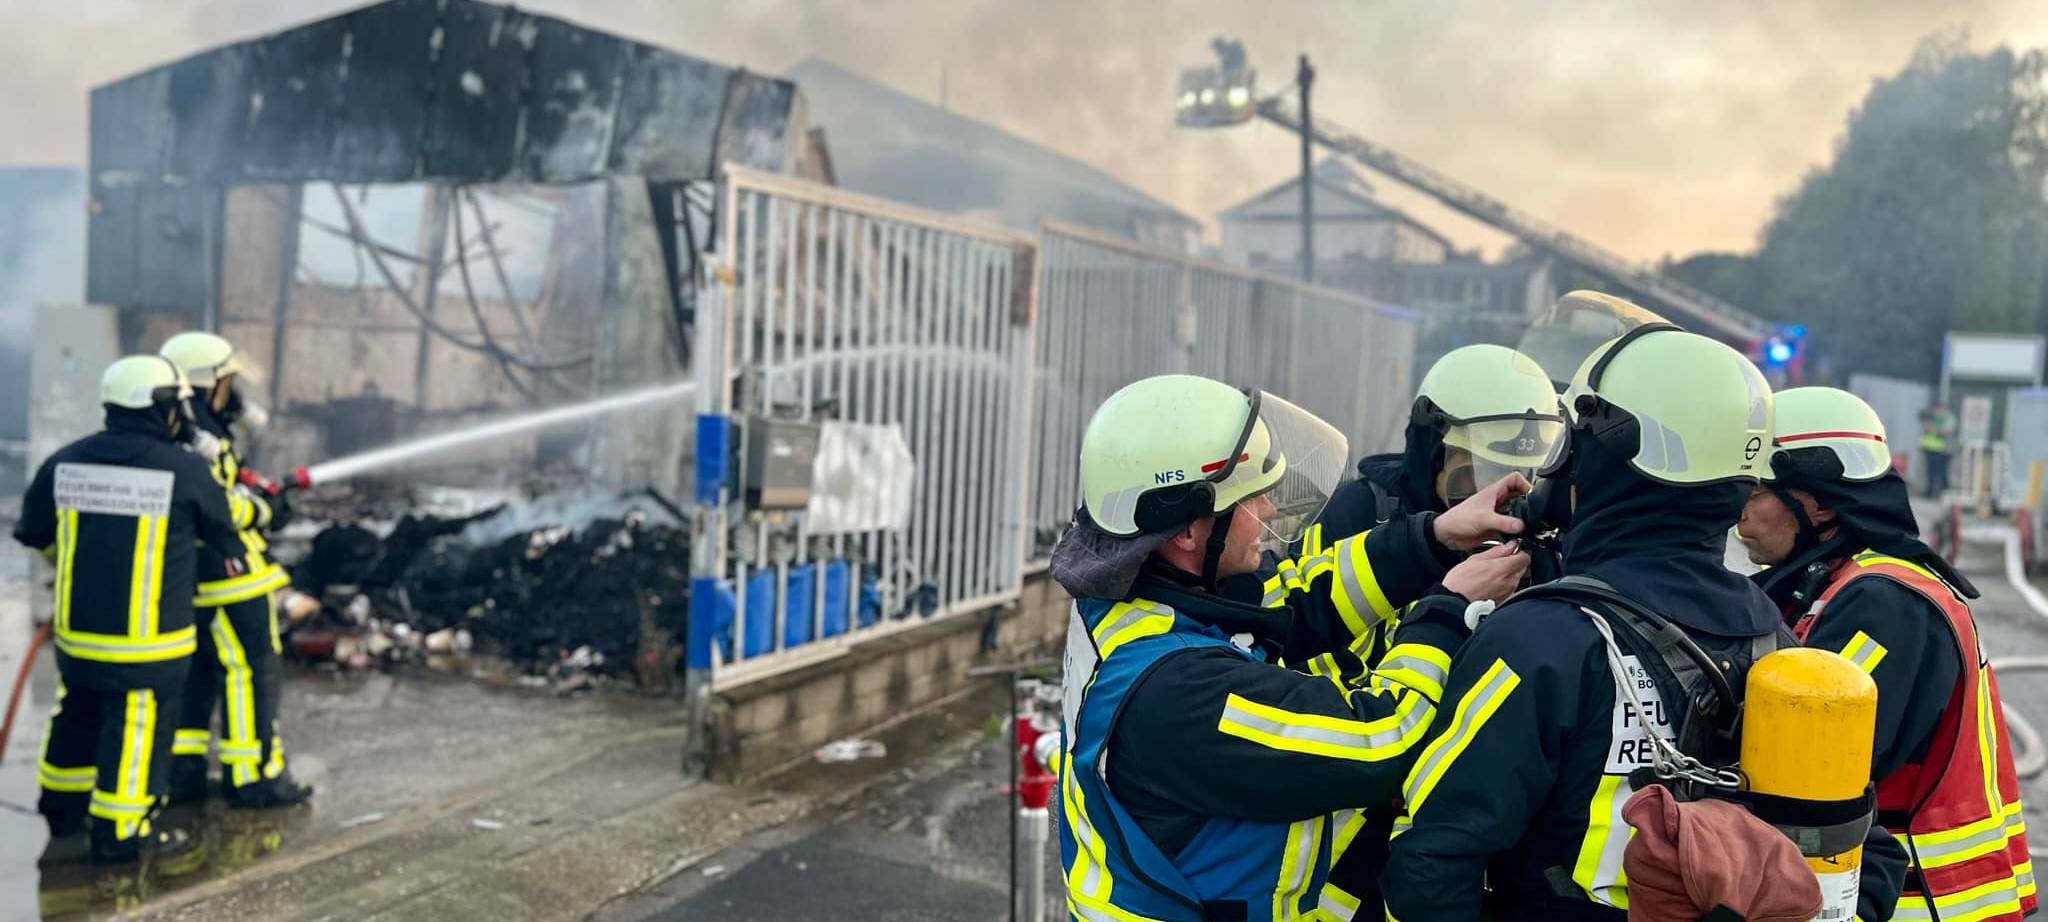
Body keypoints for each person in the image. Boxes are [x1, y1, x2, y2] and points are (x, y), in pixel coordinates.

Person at [1380, 326, 1904, 920]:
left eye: (1573, 444)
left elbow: (1433, 861)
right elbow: (1859, 858)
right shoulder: (1775, 642)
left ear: (1607, 458)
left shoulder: (1536, 642)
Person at [1050, 374, 1531, 922]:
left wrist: (1432, 538)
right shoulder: (1177, 693)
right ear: (1187, 531)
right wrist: (1444, 612)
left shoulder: (1136, 597)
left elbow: (1294, 603)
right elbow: (1378, 742)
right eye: (1252, 497)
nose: (1271, 511)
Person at [1740, 387, 2032, 922]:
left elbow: (1804, 757)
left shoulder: (1883, 601)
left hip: (1916, 900)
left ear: (1821, 503)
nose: (1739, 513)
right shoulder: (1836, 583)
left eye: (1757, 492)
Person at [1300, 343, 1566, 918]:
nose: (1495, 496)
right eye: (1475, 474)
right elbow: (1319, 665)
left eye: (1519, 478)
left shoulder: (1535, 538)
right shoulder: (1360, 517)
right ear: (1430, 451)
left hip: (1473, 816)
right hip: (1363, 814)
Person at [16, 356, 247, 862]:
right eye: (179, 405)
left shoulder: (64, 461)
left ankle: (62, 810)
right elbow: (229, 542)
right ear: (162, 407)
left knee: (75, 714)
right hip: (149, 646)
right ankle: (120, 835)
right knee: (136, 731)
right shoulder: (186, 472)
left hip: (79, 642)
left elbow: (35, 534)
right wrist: (217, 468)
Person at [159, 332, 309, 808]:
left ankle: (183, 771)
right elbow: (217, 508)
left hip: (191, 580)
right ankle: (255, 778)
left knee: (199, 672)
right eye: (227, 380)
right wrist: (263, 507)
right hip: (231, 578)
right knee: (253, 670)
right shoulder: (198, 441)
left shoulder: (178, 429)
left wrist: (254, 488)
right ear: (208, 384)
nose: (233, 391)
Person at [1919, 403, 1955, 498]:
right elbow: (1927, 430)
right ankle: (1930, 492)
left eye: (1939, 410)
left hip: (1944, 451)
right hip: (1932, 449)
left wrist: (1933, 428)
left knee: (1942, 472)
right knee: (1931, 472)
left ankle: (1945, 493)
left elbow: (1944, 431)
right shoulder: (1934, 419)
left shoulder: (1949, 419)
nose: (1937, 412)